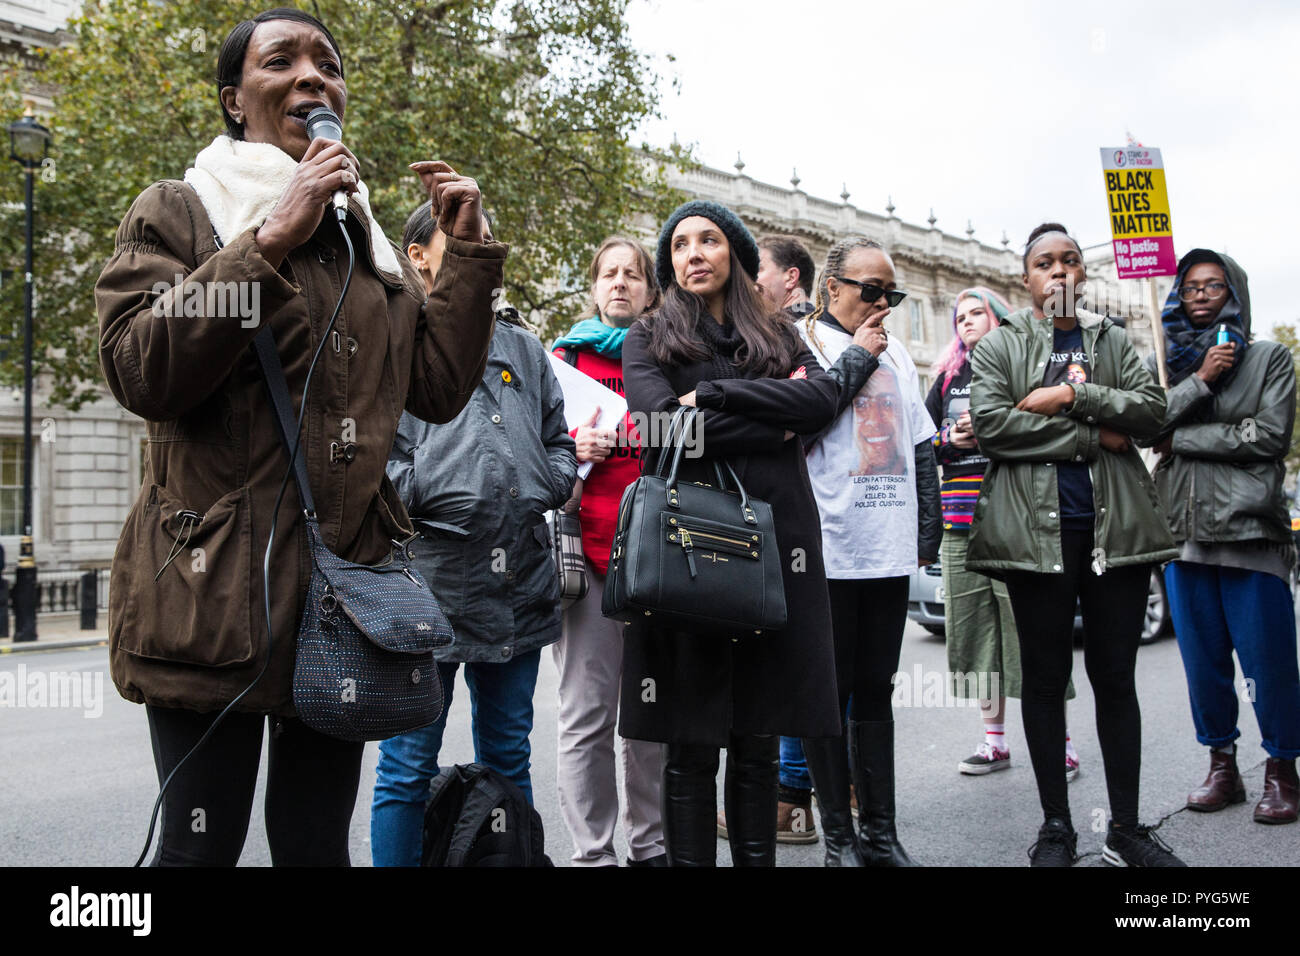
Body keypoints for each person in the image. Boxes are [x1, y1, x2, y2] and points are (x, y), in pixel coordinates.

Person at [95, 8, 505, 865]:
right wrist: (270, 237)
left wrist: (466, 262)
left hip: (340, 599)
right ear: (235, 100)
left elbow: (431, 388)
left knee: (316, 844)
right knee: (199, 846)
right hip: (209, 600)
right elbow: (140, 368)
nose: (314, 77)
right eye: (282, 61)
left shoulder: (369, 245)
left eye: (329, 63)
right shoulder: (181, 210)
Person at [619, 200, 842, 866]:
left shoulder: (779, 334)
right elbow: (658, 428)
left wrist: (717, 397)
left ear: (734, 255)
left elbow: (822, 402)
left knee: (758, 740)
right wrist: (773, 423)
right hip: (684, 550)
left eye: (708, 240)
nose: (693, 253)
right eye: (680, 244)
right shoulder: (648, 335)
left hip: (776, 547)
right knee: (689, 747)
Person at [967, 223, 1184, 867]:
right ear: (1027, 279)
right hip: (1036, 539)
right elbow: (993, 426)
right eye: (1044, 263)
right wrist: (1097, 435)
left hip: (1112, 533)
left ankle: (1126, 828)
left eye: (1069, 261)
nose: (1058, 272)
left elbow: (1150, 413)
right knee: (1044, 677)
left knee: (1115, 676)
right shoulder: (1001, 346)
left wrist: (1070, 394)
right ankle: (1056, 826)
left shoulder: (1112, 338)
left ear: (1081, 275)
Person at [368, 202, 577, 866]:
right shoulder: (390, 342)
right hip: (424, 590)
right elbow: (371, 468)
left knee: (510, 756)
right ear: (420, 255)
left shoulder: (523, 346)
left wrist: (540, 483)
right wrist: (447, 489)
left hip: (519, 583)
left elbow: (559, 447)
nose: (483, 252)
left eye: (487, 242)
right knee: (406, 765)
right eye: (464, 241)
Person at [796, 236, 941, 866]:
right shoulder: (801, 346)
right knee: (828, 692)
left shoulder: (901, 355)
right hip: (828, 545)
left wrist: (926, 532)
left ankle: (881, 834)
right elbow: (800, 425)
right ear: (833, 289)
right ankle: (839, 841)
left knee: (876, 688)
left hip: (887, 548)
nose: (883, 304)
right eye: (870, 290)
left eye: (892, 294)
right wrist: (858, 355)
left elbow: (921, 445)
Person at [1146, 248, 1299, 824]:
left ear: (1235, 292)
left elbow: (1268, 434)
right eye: (1190, 288)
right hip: (1183, 538)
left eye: (1213, 285)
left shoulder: (1270, 358)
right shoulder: (1168, 366)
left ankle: (1283, 770)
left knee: (1269, 665)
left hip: (1250, 535)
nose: (1201, 294)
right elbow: (1148, 423)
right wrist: (1200, 379)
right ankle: (1222, 766)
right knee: (1203, 665)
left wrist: (1184, 439)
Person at [925, 288, 1080, 780]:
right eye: (960, 317)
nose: (967, 322)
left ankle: (1061, 743)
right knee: (974, 636)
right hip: (959, 526)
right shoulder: (946, 379)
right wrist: (951, 437)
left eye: (978, 313)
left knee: (1033, 632)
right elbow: (921, 443)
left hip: (1016, 521)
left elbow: (1049, 432)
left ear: (999, 319)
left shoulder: (1026, 369)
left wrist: (990, 429)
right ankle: (995, 742)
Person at [550, 237, 668, 866]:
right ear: (594, 287)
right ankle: (594, 855)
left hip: (657, 564)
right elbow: (531, 452)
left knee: (649, 719)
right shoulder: (558, 361)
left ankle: (650, 847)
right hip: (586, 560)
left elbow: (691, 441)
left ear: (651, 291)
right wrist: (575, 447)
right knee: (586, 718)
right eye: (610, 274)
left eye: (634, 275)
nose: (621, 283)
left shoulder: (669, 358)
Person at [756, 234, 816, 318]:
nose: (748, 276)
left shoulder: (780, 329)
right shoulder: (819, 325)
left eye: (757, 269)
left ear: (791, 278)